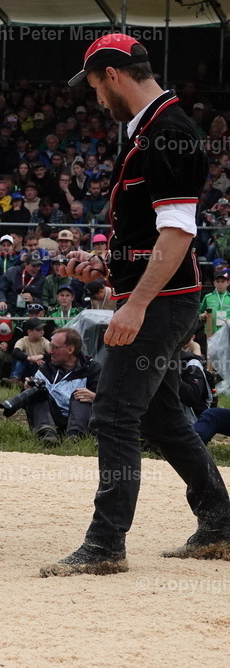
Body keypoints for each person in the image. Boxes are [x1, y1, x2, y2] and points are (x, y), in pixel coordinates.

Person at [42, 33, 230, 577]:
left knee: (115, 411)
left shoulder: (167, 134)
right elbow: (155, 233)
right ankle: (220, 521)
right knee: (163, 416)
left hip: (162, 301)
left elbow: (177, 235)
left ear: (112, 75)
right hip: (161, 295)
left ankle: (105, 544)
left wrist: (134, 305)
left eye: (96, 85)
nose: (96, 97)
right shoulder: (150, 128)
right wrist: (107, 267)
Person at [0, 327, 100, 446]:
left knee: (80, 394)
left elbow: (110, 401)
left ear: (70, 349)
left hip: (79, 420)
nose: (50, 351)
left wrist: (95, 397)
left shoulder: (92, 368)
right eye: (50, 346)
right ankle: (47, 434)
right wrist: (27, 387)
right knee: (36, 392)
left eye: (54, 347)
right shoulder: (47, 366)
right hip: (52, 419)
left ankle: (75, 436)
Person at [200, 269, 230, 337]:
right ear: (214, 283)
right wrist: (202, 316)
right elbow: (200, 312)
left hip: (227, 334)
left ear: (228, 283)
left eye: (223, 281)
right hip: (211, 333)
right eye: (218, 281)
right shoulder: (208, 297)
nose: (220, 284)